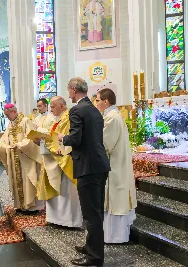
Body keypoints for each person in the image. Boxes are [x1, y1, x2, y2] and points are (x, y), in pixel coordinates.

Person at [58, 77, 110, 266]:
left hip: (87, 166)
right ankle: (91, 247)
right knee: (95, 212)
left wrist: (63, 138)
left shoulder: (76, 110)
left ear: (73, 89)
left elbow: (76, 139)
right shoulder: (95, 110)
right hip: (99, 164)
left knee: (91, 214)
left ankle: (95, 258)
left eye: (69, 90)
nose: (68, 93)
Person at [95, 88, 137, 243]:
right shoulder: (112, 116)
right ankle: (112, 235)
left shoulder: (112, 118)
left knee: (115, 199)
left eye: (98, 100)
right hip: (115, 163)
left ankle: (115, 237)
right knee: (114, 199)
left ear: (106, 101)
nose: (96, 103)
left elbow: (105, 144)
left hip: (114, 165)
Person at [37, 96, 82, 228]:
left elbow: (69, 138)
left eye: (53, 106)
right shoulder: (57, 119)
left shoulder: (68, 118)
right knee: (56, 188)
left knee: (66, 191)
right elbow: (54, 136)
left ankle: (69, 221)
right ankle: (56, 219)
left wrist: (48, 141)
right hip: (54, 158)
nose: (50, 109)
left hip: (65, 159)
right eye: (50, 106)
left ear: (62, 106)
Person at [0, 103, 44, 213]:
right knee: (18, 181)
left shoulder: (25, 121)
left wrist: (19, 145)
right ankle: (21, 205)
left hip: (26, 156)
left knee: (28, 180)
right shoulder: (11, 124)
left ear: (14, 112)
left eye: (8, 115)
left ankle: (31, 206)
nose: (7, 118)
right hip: (14, 157)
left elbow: (31, 138)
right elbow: (4, 139)